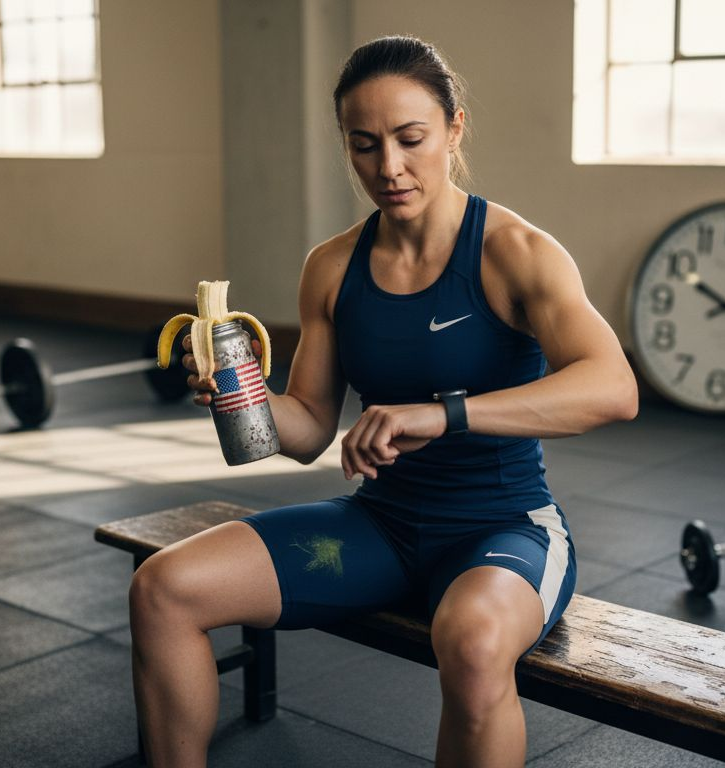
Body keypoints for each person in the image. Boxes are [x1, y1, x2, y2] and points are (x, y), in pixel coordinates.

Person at [129, 35, 638, 768]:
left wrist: (443, 412)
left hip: (502, 533)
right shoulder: (333, 267)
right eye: (364, 145)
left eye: (410, 139)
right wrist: (238, 399)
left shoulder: (515, 252)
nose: (388, 168)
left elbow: (613, 389)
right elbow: (306, 428)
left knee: (472, 643)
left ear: (454, 128)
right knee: (163, 588)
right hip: (379, 530)